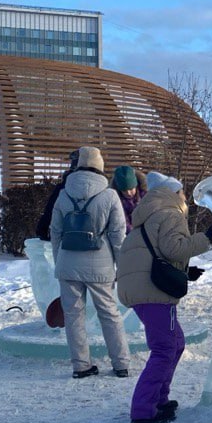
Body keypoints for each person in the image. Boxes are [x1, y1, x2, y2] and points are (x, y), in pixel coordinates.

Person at [117, 172, 212, 423]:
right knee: (165, 348)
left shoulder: (151, 213)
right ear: (173, 193)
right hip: (152, 292)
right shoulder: (169, 213)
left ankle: (159, 398)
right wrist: (209, 234)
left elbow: (155, 253)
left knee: (175, 343)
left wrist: (184, 272)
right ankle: (144, 410)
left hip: (141, 287)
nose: (185, 198)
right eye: (182, 192)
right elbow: (174, 249)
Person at [49, 146, 133, 380]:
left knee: (74, 316)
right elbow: (118, 235)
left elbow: (55, 231)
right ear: (100, 165)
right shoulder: (109, 195)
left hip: (68, 263)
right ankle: (121, 364)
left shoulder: (63, 193)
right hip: (101, 265)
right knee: (110, 314)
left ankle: (81, 366)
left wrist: (60, 261)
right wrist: (121, 266)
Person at [35, 150, 79, 240]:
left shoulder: (63, 187)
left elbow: (50, 208)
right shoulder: (100, 188)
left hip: (66, 239)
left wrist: (42, 229)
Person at [112, 165, 143, 233]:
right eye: (124, 190)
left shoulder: (145, 195)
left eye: (131, 189)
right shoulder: (116, 200)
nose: (128, 193)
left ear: (136, 185)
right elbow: (122, 221)